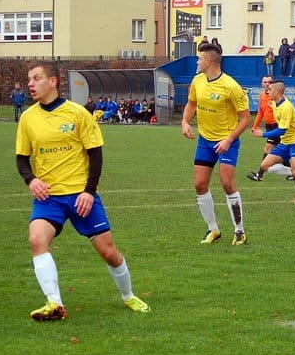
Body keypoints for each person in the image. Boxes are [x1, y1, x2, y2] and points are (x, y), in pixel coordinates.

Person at [15, 59, 149, 321]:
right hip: (49, 198)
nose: (31, 83)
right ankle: (54, 304)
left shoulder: (77, 113)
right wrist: (31, 180)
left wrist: (89, 191)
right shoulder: (28, 118)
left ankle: (128, 295)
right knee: (36, 240)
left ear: (53, 81)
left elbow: (95, 154)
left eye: (36, 78)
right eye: (29, 79)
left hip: (81, 196)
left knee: (109, 252)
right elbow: (21, 158)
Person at [182, 43, 251, 246]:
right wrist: (185, 122)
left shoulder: (231, 86)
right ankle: (213, 229)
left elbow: (245, 118)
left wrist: (229, 139)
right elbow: (191, 104)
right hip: (205, 140)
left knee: (227, 184)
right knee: (199, 184)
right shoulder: (197, 81)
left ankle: (240, 232)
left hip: (227, 141)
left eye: (199, 58)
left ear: (208, 61)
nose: (197, 61)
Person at [250, 81, 295, 206]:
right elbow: (265, 110)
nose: (268, 92)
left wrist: (262, 134)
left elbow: (282, 130)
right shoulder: (274, 102)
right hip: (285, 141)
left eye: (270, 90)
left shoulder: (286, 107)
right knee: (264, 166)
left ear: (277, 92)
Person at [246, 76, 292, 182]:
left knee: (268, 148)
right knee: (282, 152)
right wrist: (254, 126)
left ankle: (259, 175)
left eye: (269, 82)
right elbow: (260, 112)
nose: (267, 84)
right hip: (269, 126)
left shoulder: (278, 98)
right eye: (265, 82)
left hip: (277, 126)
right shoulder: (262, 96)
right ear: (261, 84)